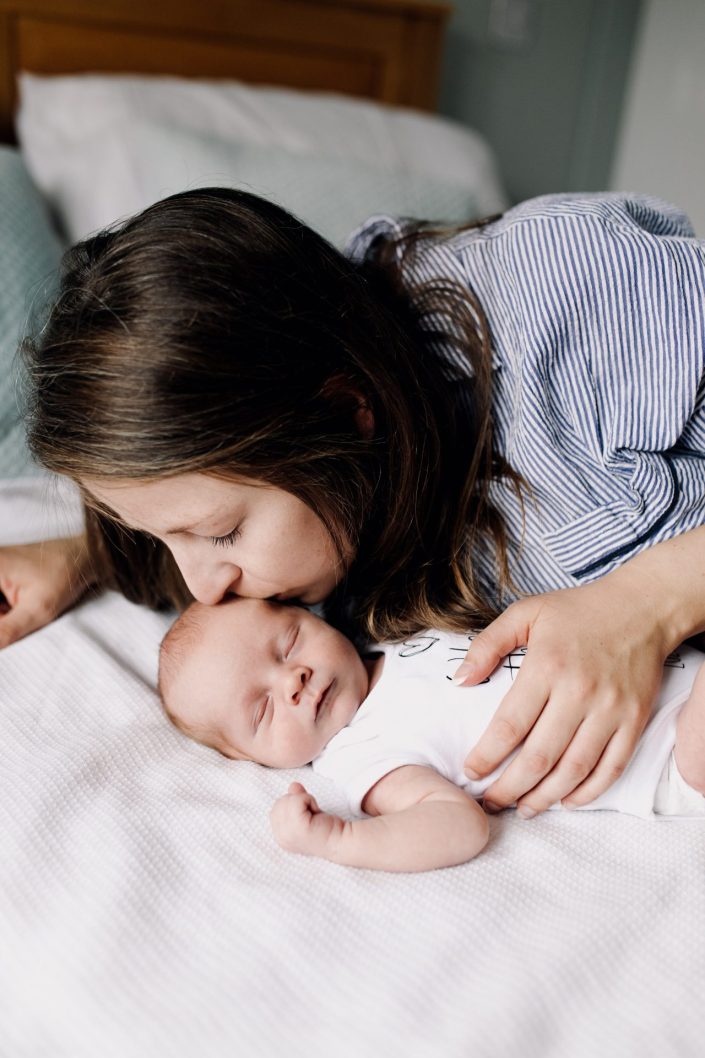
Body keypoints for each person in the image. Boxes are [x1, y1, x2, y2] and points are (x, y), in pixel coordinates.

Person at [2, 187, 705, 821]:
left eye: (219, 533)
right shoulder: (305, 553)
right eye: (160, 538)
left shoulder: (567, 298)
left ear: (345, 413)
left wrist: (649, 602)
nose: (202, 588)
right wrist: (88, 552)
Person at [158, 597, 705, 872]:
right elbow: (460, 827)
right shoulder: (365, 760)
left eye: (289, 642)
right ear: (249, 757)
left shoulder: (397, 635)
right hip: (667, 752)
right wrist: (336, 839)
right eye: (262, 710)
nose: (292, 679)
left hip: (664, 663)